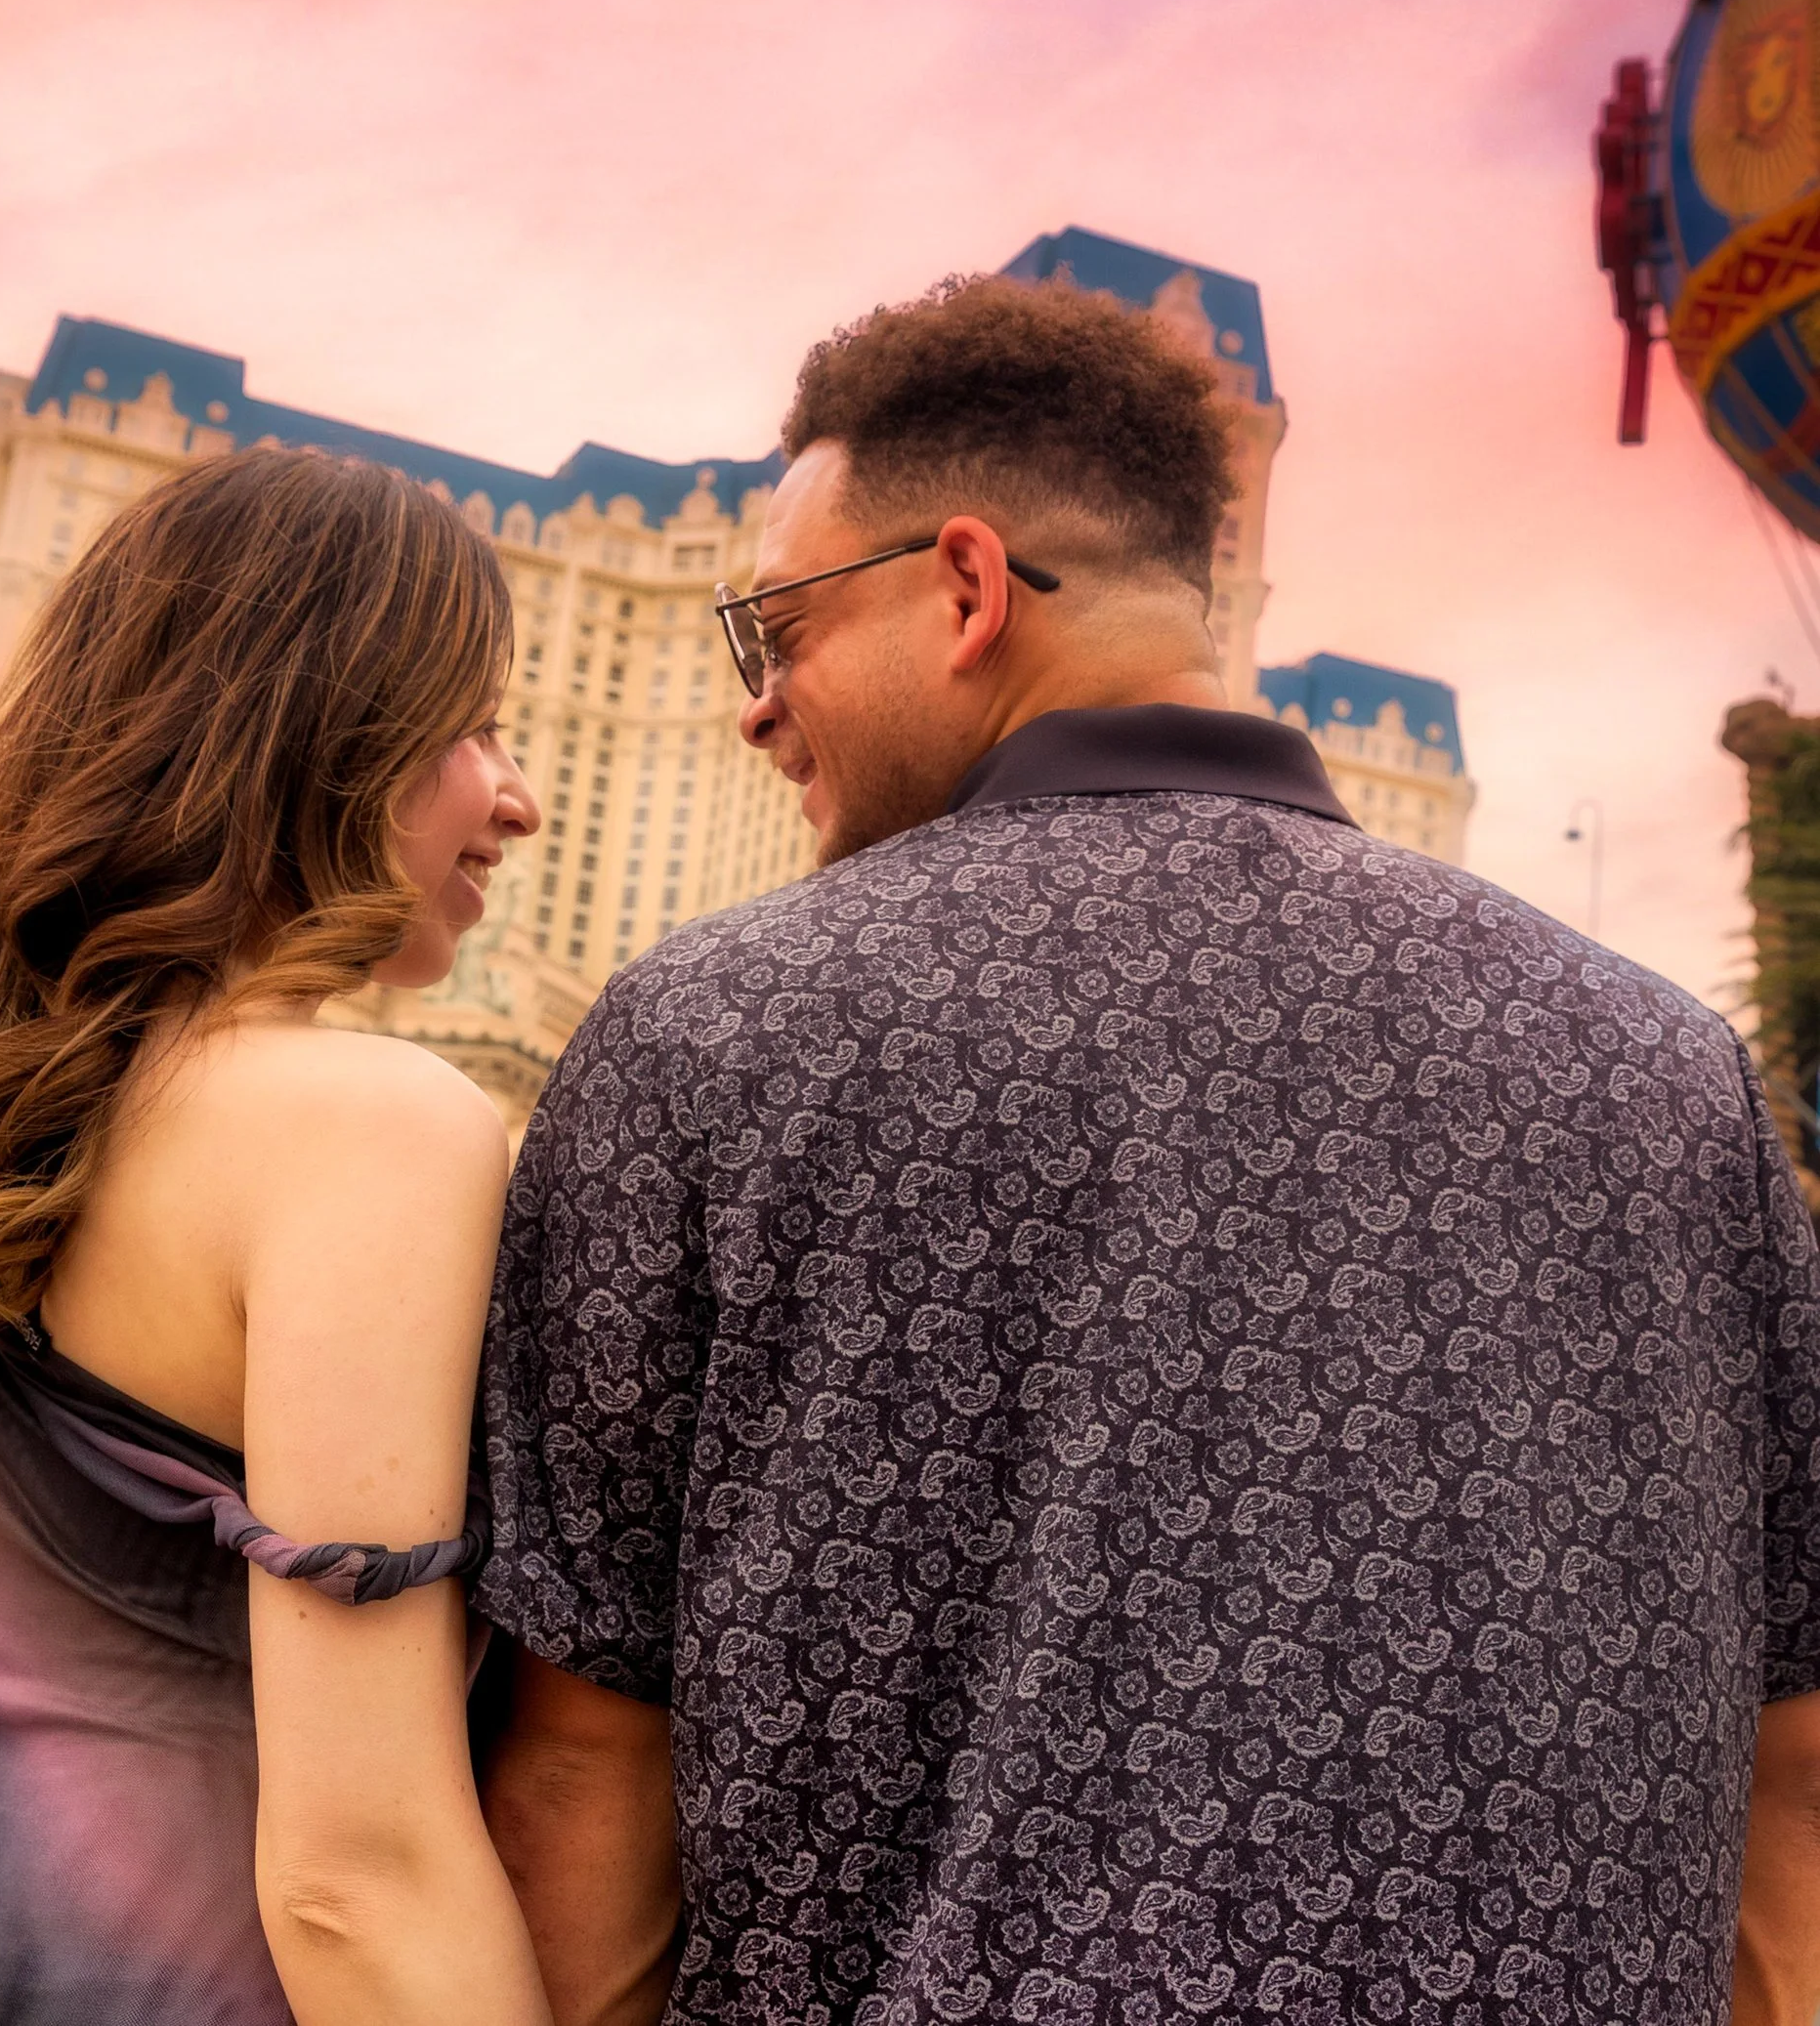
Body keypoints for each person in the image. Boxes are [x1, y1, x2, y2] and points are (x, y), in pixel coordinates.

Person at [477, 273, 1820, 2026]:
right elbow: (1791, 1774)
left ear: (968, 588)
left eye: (777, 629)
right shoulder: (1674, 1075)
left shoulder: (706, 1036)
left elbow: (587, 1771)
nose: (758, 703)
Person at [0, 446, 552, 2026]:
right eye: (473, 727)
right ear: (324, 736)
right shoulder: (372, 1127)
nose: (518, 800)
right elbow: (355, 1878)